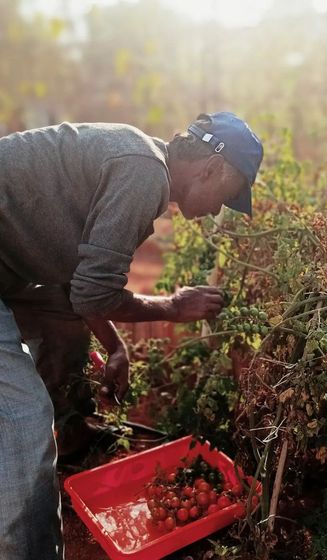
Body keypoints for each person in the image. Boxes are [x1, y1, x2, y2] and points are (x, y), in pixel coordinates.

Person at [0, 111, 263, 559]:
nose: (218, 210)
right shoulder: (143, 174)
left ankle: (68, 441)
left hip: (12, 265)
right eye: (228, 196)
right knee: (24, 419)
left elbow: (79, 284)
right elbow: (95, 290)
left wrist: (114, 345)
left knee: (64, 325)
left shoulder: (139, 157)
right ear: (213, 167)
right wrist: (174, 307)